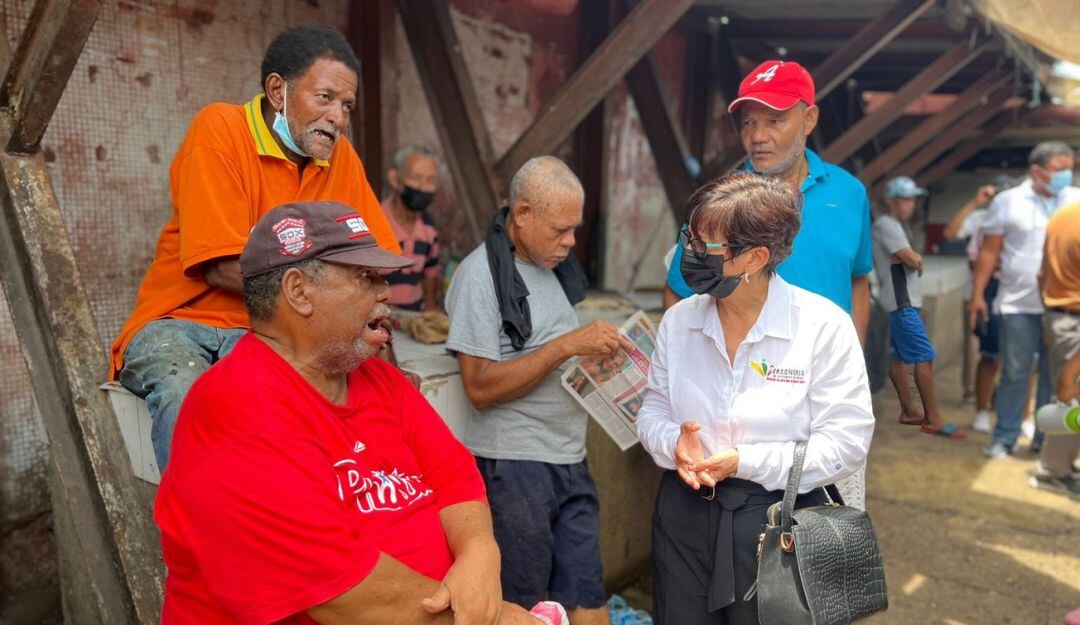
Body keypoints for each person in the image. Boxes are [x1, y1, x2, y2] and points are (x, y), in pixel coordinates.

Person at [155, 201, 543, 625]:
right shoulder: (237, 412)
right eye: (365, 276)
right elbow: (347, 595)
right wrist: (499, 619)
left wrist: (479, 553)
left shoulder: (379, 378)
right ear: (299, 292)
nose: (385, 292)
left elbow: (454, 477)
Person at [111, 25, 403, 471]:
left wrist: (389, 367)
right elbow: (220, 267)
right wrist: (324, 301)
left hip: (267, 333)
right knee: (185, 390)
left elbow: (373, 265)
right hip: (180, 320)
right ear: (278, 91)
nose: (338, 118)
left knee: (324, 404)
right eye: (325, 98)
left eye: (347, 106)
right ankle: (198, 517)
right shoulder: (220, 128)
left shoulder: (340, 158)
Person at [638, 174, 874, 625]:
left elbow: (846, 443)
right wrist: (673, 443)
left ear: (756, 257)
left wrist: (744, 462)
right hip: (684, 516)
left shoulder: (822, 327)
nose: (692, 253)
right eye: (690, 238)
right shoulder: (679, 322)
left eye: (707, 245)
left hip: (777, 523)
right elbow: (653, 409)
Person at [666, 60, 873, 509]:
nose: (757, 136)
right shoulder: (720, 202)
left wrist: (848, 359)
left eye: (775, 120)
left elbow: (859, 281)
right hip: (743, 423)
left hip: (822, 397)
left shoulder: (849, 193)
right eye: (748, 122)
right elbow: (679, 291)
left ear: (809, 118)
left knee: (827, 533)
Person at [445, 156, 632, 625]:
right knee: (523, 606)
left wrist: (590, 359)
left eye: (575, 229)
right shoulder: (480, 277)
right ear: (523, 214)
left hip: (569, 456)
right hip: (515, 466)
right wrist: (568, 345)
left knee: (587, 595)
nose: (571, 242)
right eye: (560, 229)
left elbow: (549, 357)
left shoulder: (550, 268)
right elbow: (479, 386)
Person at [969, 141, 1080, 458]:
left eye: (1070, 168)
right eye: (1059, 169)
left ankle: (1045, 440)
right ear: (1037, 171)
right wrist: (978, 295)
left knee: (1055, 378)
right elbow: (989, 252)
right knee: (1016, 372)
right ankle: (1005, 437)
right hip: (1018, 302)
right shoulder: (1008, 202)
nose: (1066, 175)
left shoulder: (1075, 199)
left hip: (1062, 305)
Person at [874, 176, 963, 438]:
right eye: (905, 199)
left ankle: (909, 410)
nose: (911, 205)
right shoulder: (887, 224)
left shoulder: (897, 225)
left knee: (898, 357)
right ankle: (933, 417)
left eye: (913, 200)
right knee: (924, 355)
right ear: (892, 201)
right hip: (901, 301)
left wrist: (912, 259)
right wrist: (916, 260)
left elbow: (906, 257)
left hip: (898, 300)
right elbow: (911, 259)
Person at [942, 176, 1015, 432]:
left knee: (1014, 357)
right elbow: (951, 233)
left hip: (1011, 292)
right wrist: (975, 202)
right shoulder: (980, 218)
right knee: (983, 353)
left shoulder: (1017, 220)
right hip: (980, 292)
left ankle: (1002, 403)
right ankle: (975, 399)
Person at [1032, 200, 1080, 495]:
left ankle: (1060, 465)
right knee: (1071, 396)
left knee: (1069, 394)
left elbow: (1041, 274)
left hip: (1059, 315)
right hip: (1074, 320)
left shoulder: (1063, 215)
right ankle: (1052, 471)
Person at [383, 145, 443, 311]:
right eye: (416, 178)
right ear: (395, 179)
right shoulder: (375, 222)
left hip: (414, 318)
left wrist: (429, 314)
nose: (423, 187)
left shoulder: (429, 228)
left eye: (431, 181)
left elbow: (431, 273)